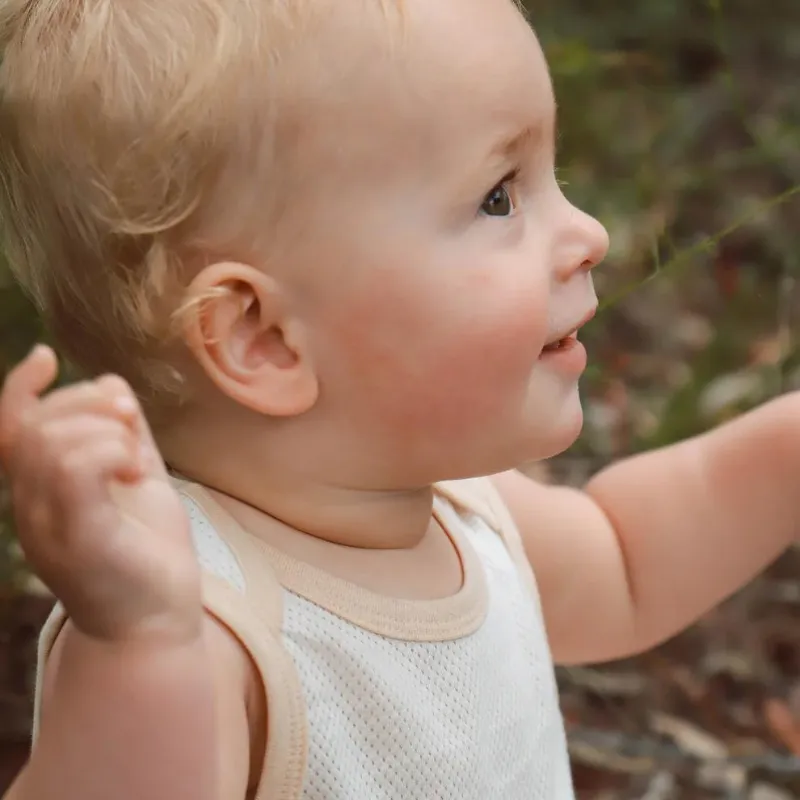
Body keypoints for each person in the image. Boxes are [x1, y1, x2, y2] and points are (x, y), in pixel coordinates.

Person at [0, 0, 796, 798]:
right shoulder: (205, 626)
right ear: (264, 338)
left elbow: (626, 559)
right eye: (499, 197)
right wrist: (139, 646)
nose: (590, 232)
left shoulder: (465, 511)